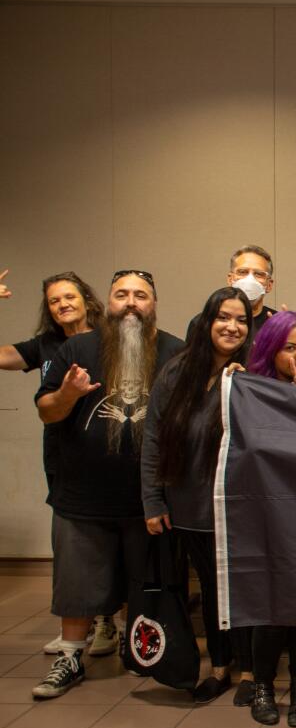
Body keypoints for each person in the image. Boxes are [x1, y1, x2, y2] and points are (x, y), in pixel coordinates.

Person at [33, 270, 184, 699]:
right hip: (82, 496)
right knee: (77, 583)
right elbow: (47, 411)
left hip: (149, 500)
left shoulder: (175, 352)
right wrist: (67, 393)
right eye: (122, 295)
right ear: (109, 303)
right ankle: (70, 658)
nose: (131, 302)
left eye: (141, 295)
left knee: (145, 583)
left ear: (154, 304)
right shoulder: (77, 349)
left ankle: (140, 649)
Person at [142, 287, 253, 705]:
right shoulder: (176, 372)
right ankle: (220, 667)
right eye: (224, 317)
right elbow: (153, 438)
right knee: (210, 590)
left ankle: (251, 671)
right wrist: (152, 501)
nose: (232, 326)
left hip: (239, 507)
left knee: (242, 590)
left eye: (241, 319)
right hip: (188, 506)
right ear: (207, 321)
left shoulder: (250, 376)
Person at [1, 272, 112, 656]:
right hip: (64, 457)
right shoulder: (45, 345)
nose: (62, 304)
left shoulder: (109, 338)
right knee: (74, 547)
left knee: (111, 545)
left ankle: (107, 623)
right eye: (53, 300)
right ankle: (82, 624)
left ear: (87, 300)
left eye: (69, 296)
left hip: (108, 458)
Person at [240, 312, 296, 725]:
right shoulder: (249, 391)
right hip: (265, 514)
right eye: (290, 347)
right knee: (270, 608)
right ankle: (262, 686)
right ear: (271, 348)